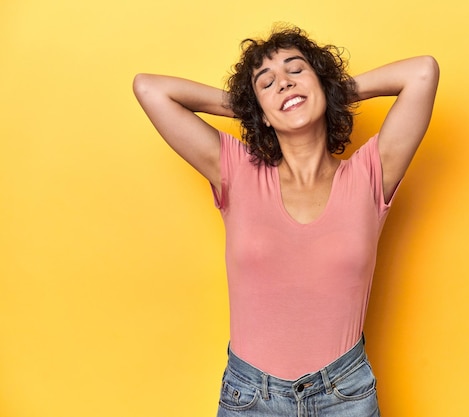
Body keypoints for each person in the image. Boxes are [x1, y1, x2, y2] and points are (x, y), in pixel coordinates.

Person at [133, 25, 438, 417]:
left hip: (345, 397)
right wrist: (249, 105)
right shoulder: (237, 170)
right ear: (258, 110)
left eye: (297, 71)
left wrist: (328, 92)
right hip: (250, 398)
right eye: (267, 82)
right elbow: (149, 89)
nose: (284, 84)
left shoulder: (369, 174)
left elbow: (423, 73)